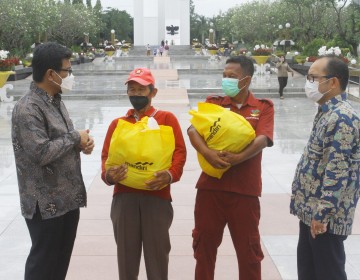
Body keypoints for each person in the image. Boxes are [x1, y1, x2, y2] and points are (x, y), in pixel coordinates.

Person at [11, 42, 95, 280]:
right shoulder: (28, 108)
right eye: (67, 70)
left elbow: (62, 142)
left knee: (59, 265)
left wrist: (81, 143)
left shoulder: (55, 101)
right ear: (51, 73)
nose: (70, 75)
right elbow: (41, 152)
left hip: (66, 199)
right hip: (45, 203)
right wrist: (74, 137)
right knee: (43, 266)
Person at [188, 56, 274, 280]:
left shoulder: (262, 107)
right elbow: (193, 130)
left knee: (249, 253)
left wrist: (238, 158)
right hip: (211, 189)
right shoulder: (214, 103)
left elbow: (263, 139)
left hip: (245, 192)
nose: (226, 80)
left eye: (232, 77)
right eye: (224, 76)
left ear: (246, 80)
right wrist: (207, 153)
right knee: (204, 249)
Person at [101, 67, 187, 280]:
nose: (137, 94)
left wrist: (170, 175)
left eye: (141, 89)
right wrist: (109, 175)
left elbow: (180, 151)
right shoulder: (118, 124)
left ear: (153, 92)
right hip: (124, 197)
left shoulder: (166, 119)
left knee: (157, 258)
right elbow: (105, 157)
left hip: (157, 198)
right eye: (132, 89)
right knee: (126, 260)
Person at [290, 56, 360, 280]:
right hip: (311, 211)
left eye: (313, 77)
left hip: (326, 219)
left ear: (333, 82)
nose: (308, 82)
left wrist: (322, 214)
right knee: (309, 272)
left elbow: (337, 170)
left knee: (328, 273)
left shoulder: (343, 118)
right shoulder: (327, 112)